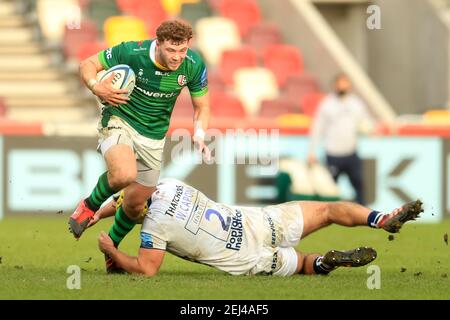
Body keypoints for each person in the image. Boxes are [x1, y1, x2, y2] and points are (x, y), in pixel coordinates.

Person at [68, 20, 211, 270]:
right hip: (120, 118)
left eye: (182, 50)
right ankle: (89, 206)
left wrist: (199, 133)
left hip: (154, 136)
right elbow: (87, 64)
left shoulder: (193, 65)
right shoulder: (133, 52)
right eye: (171, 50)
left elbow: (202, 106)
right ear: (159, 43)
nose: (177, 57)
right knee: (124, 174)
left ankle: (111, 247)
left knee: (135, 207)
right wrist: (96, 87)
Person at [88, 178, 422, 276]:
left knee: (303, 264)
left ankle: (324, 262)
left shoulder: (153, 229)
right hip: (257, 223)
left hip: (245, 259)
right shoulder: (170, 185)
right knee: (328, 209)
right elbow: (128, 200)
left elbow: (147, 269)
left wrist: (112, 250)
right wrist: (100, 213)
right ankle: (381, 219)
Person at [308, 73, 375, 205]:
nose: (342, 86)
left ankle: (364, 217)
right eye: (340, 83)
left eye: (345, 83)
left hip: (351, 152)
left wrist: (370, 128)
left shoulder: (356, 104)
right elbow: (317, 128)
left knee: (359, 185)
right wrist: (312, 150)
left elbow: (366, 122)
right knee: (329, 190)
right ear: (335, 85)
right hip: (333, 153)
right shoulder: (327, 104)